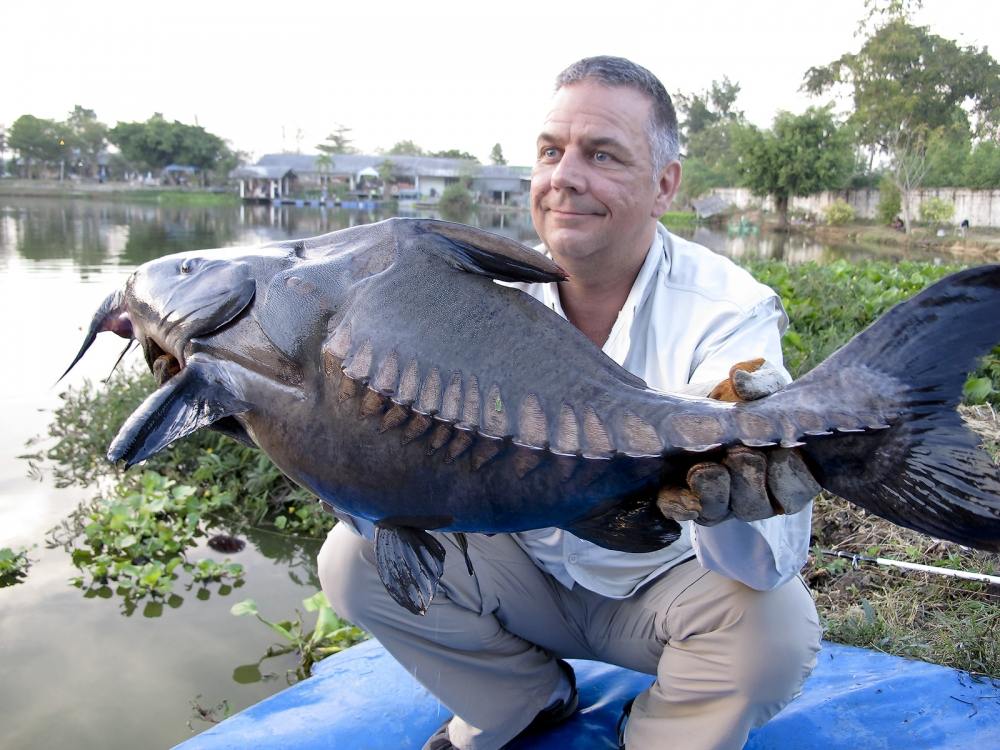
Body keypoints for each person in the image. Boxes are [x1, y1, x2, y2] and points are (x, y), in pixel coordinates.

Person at [319, 56, 822, 750]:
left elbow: (766, 563)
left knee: (776, 633)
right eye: (551, 152)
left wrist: (724, 489)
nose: (565, 177)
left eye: (603, 154)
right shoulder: (477, 296)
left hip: (662, 585)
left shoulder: (729, 314)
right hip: (523, 571)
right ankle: (521, 698)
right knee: (353, 559)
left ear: (665, 184)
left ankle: (654, 734)